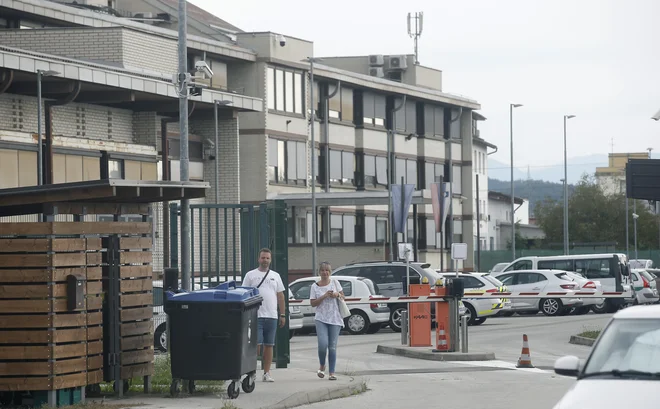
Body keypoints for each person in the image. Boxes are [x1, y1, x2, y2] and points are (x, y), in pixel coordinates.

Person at [242, 248, 286, 382]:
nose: (265, 260)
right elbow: (244, 293)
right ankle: (252, 371)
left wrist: (282, 314)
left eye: (267, 258)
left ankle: (267, 373)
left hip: (272, 315)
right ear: (258, 259)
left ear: (270, 260)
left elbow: (280, 296)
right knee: (256, 345)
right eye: (263, 258)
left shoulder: (276, 276)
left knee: (269, 345)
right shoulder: (250, 275)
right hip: (256, 315)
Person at [310, 262, 345, 381]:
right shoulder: (315, 286)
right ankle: (322, 365)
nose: (325, 273)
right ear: (319, 272)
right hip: (321, 318)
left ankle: (332, 372)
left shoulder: (335, 283)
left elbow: (342, 296)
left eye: (327, 271)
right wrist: (324, 296)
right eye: (323, 270)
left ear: (330, 272)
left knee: (332, 347)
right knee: (322, 344)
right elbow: (313, 303)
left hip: (335, 318)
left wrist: (336, 294)